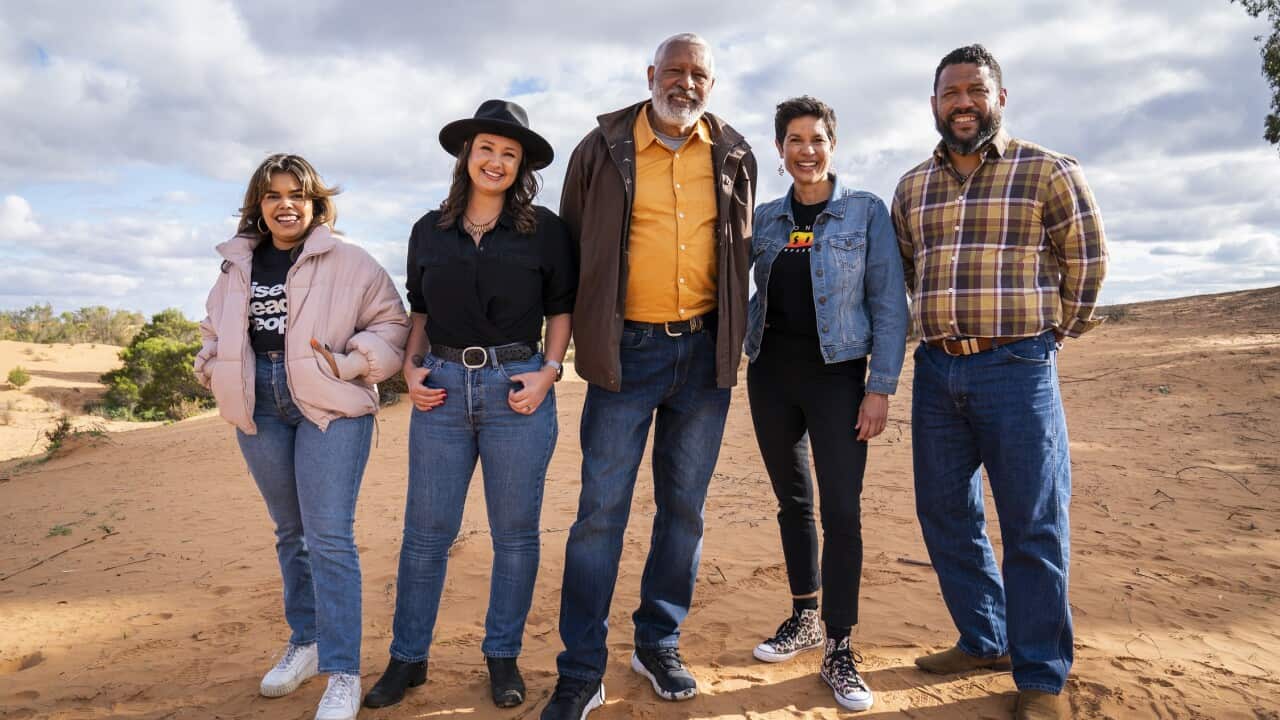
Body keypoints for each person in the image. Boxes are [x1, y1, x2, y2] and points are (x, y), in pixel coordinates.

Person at [541, 33, 757, 720]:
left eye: (698, 74)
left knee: (684, 512)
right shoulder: (599, 147)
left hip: (703, 357)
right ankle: (581, 669)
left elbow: (743, 250)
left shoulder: (735, 153)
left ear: (711, 85)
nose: (684, 82)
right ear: (649, 75)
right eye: (674, 70)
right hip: (622, 354)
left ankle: (657, 641)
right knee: (599, 514)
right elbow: (571, 249)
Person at [891, 44, 1107, 720]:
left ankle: (1040, 676)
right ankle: (984, 638)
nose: (963, 103)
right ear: (933, 104)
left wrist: (1050, 335)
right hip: (936, 371)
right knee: (946, 513)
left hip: (1017, 368)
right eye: (950, 92)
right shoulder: (911, 187)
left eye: (975, 91)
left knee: (1032, 522)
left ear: (999, 99)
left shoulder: (1046, 171)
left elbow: (1089, 260)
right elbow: (904, 272)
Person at [363, 100, 576, 712]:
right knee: (426, 535)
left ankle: (501, 656)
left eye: (509, 154)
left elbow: (561, 306)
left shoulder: (546, 229)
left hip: (518, 388)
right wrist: (409, 364)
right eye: (487, 148)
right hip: (443, 390)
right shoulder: (428, 229)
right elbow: (419, 308)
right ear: (467, 155)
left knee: (515, 536)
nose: (496, 161)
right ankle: (408, 658)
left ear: (521, 166)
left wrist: (548, 372)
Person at [195, 154, 409, 720]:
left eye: (297, 194)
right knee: (290, 532)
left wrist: (348, 364)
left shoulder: (352, 261)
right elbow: (214, 326)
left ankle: (343, 672)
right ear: (258, 206)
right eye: (272, 195)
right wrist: (211, 364)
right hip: (259, 405)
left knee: (329, 536)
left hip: (329, 406)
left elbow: (393, 325)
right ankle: (307, 641)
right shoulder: (236, 264)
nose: (285, 204)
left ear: (316, 203)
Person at [744, 96, 908, 712]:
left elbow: (890, 303)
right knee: (793, 502)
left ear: (832, 144)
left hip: (839, 378)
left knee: (842, 510)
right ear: (780, 150)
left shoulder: (863, 211)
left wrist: (880, 387)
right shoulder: (764, 219)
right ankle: (804, 616)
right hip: (770, 376)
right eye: (794, 140)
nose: (806, 150)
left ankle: (839, 645)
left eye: (816, 139)